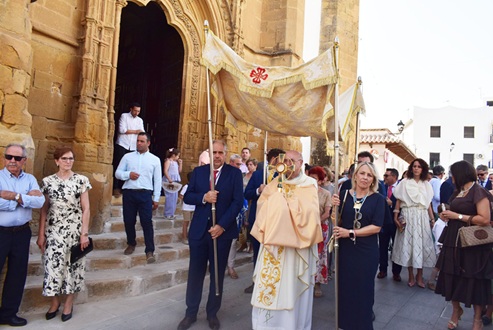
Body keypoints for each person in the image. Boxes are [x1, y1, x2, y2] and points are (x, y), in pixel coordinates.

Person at [250, 150, 322, 330]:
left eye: (292, 161)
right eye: (285, 160)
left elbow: (311, 215)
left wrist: (285, 204)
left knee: (291, 290)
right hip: (273, 248)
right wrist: (277, 203)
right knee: (269, 287)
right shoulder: (275, 183)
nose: (288, 164)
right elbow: (262, 209)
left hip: (295, 249)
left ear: (301, 163)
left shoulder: (309, 184)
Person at [177, 140, 243, 330]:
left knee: (217, 274)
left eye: (220, 152)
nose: (217, 156)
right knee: (195, 273)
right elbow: (188, 196)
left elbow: (237, 202)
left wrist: (221, 225)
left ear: (225, 154)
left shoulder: (234, 174)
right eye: (214, 152)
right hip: (199, 232)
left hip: (221, 233)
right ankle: (190, 313)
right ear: (209, 153)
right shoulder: (199, 172)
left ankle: (212, 312)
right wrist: (204, 197)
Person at [434, 160, 493, 330]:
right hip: (453, 239)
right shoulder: (459, 191)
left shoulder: (479, 192)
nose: (451, 177)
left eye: (453, 173)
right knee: (451, 276)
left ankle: (477, 319)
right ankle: (456, 310)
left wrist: (457, 216)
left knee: (474, 279)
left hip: (472, 243)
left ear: (460, 174)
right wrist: (445, 213)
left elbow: (484, 219)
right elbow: (451, 207)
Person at [37, 147, 92, 322]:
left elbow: (86, 208)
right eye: (64, 158)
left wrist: (84, 233)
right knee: (52, 267)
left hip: (75, 231)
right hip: (54, 231)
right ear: (57, 161)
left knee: (73, 268)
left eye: (71, 158)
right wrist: (41, 234)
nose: (68, 161)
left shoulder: (81, 180)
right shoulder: (47, 181)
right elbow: (44, 210)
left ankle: (68, 303)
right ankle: (54, 302)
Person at [332, 161, 385, 329]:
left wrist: (351, 233)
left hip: (366, 251)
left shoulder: (378, 199)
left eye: (369, 175)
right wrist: (333, 209)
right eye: (362, 173)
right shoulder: (343, 194)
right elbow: (336, 222)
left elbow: (376, 227)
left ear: (373, 179)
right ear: (355, 176)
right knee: (345, 289)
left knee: (363, 290)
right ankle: (345, 325)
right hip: (346, 250)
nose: (365, 177)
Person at [0, 144, 45, 327]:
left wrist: (15, 197)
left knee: (17, 275)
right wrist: (25, 198)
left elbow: (40, 201)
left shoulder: (30, 179)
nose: (12, 161)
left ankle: (8, 314)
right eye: (9, 156)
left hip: (21, 233)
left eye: (17, 158)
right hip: (1, 232)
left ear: (24, 161)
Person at [115, 132, 162, 263]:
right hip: (129, 193)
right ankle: (131, 243)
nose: (139, 143)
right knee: (128, 221)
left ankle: (150, 251)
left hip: (145, 194)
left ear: (148, 143)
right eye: (137, 141)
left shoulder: (155, 160)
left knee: (146, 222)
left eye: (142, 141)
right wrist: (128, 174)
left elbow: (157, 180)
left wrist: (156, 198)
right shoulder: (127, 157)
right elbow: (118, 173)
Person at [243, 148, 285, 294]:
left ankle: (273, 283)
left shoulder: (284, 176)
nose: (284, 162)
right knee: (257, 251)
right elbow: (246, 193)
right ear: (273, 159)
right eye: (281, 159)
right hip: (258, 218)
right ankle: (256, 281)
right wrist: (258, 190)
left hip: (276, 220)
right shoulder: (258, 175)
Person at [392, 158, 436, 288]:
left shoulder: (427, 184)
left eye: (419, 166)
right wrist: (395, 216)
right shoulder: (404, 182)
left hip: (422, 216)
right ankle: (411, 275)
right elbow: (398, 201)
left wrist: (432, 219)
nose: (416, 168)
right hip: (408, 215)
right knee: (409, 246)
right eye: (414, 166)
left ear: (423, 169)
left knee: (422, 245)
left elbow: (428, 204)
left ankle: (419, 275)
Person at [308, 166, 332, 298]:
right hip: (305, 227)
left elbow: (327, 213)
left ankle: (318, 283)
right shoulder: (303, 192)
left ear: (321, 181)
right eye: (310, 177)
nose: (312, 180)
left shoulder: (326, 194)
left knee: (319, 255)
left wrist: (315, 222)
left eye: (315, 178)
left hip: (320, 227)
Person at [377, 168, 403, 282]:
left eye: (387, 175)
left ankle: (396, 272)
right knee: (382, 247)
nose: (385, 178)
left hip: (396, 222)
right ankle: (382, 269)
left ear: (394, 177)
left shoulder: (401, 187)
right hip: (383, 222)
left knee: (397, 247)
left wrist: (392, 204)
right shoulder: (381, 186)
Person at [113, 102, 145, 195]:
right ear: (131, 109)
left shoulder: (140, 120)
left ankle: (124, 188)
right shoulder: (124, 116)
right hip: (123, 144)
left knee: (129, 167)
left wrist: (135, 132)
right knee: (119, 165)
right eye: (135, 110)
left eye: (138, 111)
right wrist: (136, 131)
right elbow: (122, 130)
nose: (136, 113)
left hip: (133, 146)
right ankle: (116, 187)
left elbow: (142, 132)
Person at [226, 154, 243, 279]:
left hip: (235, 214)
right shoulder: (224, 174)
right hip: (223, 212)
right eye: (237, 164)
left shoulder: (239, 176)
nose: (239, 166)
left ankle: (230, 266)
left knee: (232, 242)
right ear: (231, 162)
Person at [238, 158, 258, 253]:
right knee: (242, 223)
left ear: (255, 166)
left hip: (250, 201)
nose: (249, 166)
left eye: (251, 164)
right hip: (243, 200)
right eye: (248, 164)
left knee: (250, 222)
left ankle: (251, 245)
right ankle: (243, 243)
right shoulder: (245, 176)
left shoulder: (257, 176)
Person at [163, 147, 182, 220]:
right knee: (169, 198)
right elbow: (165, 171)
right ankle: (167, 213)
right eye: (178, 156)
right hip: (169, 181)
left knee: (174, 198)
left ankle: (171, 213)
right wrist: (169, 179)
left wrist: (180, 164)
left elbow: (179, 171)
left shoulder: (175, 162)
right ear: (173, 155)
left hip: (175, 181)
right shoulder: (168, 161)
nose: (178, 157)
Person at [179, 172, 195, 245]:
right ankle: (184, 237)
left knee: (193, 223)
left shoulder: (196, 187)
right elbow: (181, 195)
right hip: (187, 208)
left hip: (194, 207)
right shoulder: (186, 187)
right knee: (186, 222)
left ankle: (191, 236)